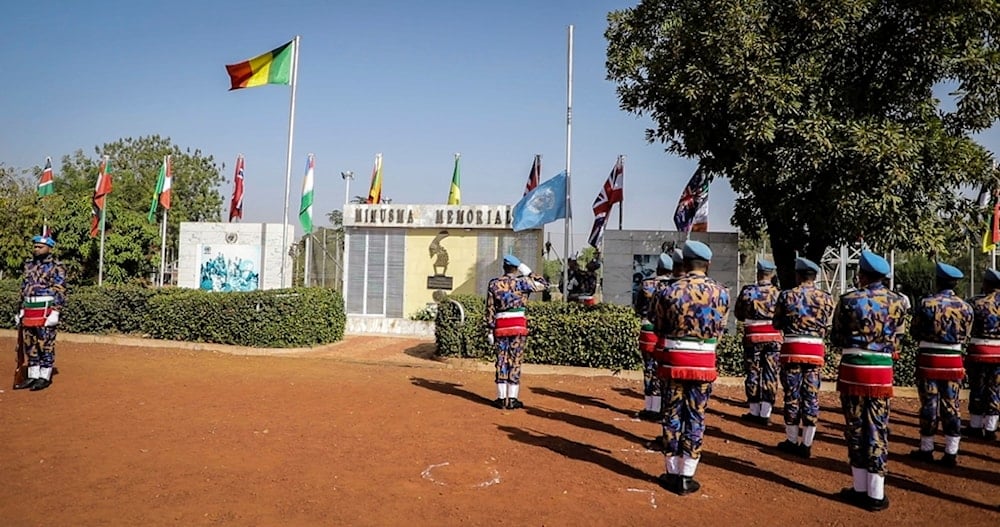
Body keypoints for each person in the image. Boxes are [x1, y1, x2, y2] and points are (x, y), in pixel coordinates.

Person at [830, 250, 907, 512]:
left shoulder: (849, 299)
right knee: (878, 428)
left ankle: (860, 487)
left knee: (855, 428)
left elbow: (836, 337)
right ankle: (876, 493)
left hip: (853, 369)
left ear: (862, 275)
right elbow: (899, 340)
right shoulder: (898, 302)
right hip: (881, 371)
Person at [652, 240, 730, 496]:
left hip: (674, 360)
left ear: (684, 264)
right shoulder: (721, 292)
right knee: (696, 415)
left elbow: (659, 327)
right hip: (704, 361)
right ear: (707, 264)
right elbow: (720, 329)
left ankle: (672, 471)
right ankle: (688, 475)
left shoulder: (668, 291)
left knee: (672, 414)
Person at [907, 262, 973, 466]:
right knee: (951, 404)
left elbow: (914, 331)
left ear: (937, 281)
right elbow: (967, 334)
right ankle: (951, 452)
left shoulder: (926, 303)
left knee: (929, 404)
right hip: (953, 360)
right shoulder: (965, 306)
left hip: (929, 359)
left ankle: (926, 448)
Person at [773, 257, 835, 458]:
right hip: (815, 352)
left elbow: (777, 323)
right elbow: (828, 324)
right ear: (815, 277)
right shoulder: (826, 297)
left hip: (792, 350)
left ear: (798, 275)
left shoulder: (787, 296)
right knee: (811, 396)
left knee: (792, 395)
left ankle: (792, 440)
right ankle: (807, 443)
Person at [484, 254, 549, 410]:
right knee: (515, 360)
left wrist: (489, 330)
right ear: (515, 268)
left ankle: (501, 398)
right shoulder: (523, 283)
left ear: (504, 267)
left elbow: (490, 308)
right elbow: (544, 284)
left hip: (500, 326)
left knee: (501, 360)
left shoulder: (494, 284)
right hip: (518, 326)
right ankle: (512, 399)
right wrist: (525, 269)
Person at [13, 233, 67, 391]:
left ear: (49, 248)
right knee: (30, 344)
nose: (36, 249)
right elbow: (24, 288)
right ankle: (32, 375)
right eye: (35, 246)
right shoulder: (29, 265)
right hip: (29, 309)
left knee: (46, 344)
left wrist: (56, 311)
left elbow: (61, 289)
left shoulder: (57, 266)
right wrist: (21, 309)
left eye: (40, 247)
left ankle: (44, 376)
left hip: (45, 310)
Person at [735, 258, 782, 425]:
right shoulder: (778, 293)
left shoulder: (748, 291)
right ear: (771, 275)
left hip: (752, 337)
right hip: (774, 338)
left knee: (753, 372)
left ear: (758, 273)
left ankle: (754, 410)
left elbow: (738, 314)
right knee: (770, 373)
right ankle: (766, 413)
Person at [634, 253, 674, 421]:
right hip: (667, 333)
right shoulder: (674, 286)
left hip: (649, 330)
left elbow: (637, 308)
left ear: (658, 268)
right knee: (665, 369)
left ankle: (651, 407)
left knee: (649, 368)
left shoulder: (647, 284)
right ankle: (665, 407)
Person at [964, 268, 1000, 441]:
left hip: (979, 350)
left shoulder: (975, 303)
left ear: (986, 284)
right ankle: (991, 427)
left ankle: (976, 425)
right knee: (996, 388)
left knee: (977, 387)